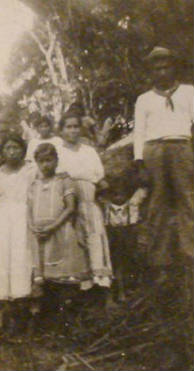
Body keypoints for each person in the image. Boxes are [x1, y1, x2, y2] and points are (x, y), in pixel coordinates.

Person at [133, 46, 193, 369]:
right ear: (151, 71)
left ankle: (189, 246)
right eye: (155, 67)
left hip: (181, 145)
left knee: (186, 200)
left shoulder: (189, 93)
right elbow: (139, 132)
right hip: (155, 149)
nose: (161, 71)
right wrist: (140, 162)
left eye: (166, 65)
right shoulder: (144, 100)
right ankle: (160, 254)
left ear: (174, 67)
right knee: (157, 204)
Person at [28, 144, 90, 331]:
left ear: (56, 161)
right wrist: (33, 227)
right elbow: (29, 210)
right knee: (42, 280)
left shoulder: (65, 181)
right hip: (40, 236)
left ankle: (68, 324)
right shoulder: (34, 185)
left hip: (60, 232)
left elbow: (70, 208)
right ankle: (46, 326)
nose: (45, 165)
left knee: (64, 279)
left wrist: (52, 226)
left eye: (49, 160)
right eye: (41, 161)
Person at [0, 134, 37, 334]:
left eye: (16, 147)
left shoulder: (31, 171)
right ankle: (10, 320)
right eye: (7, 148)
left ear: (22, 150)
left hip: (25, 219)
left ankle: (28, 317)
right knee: (4, 265)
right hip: (3, 223)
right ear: (2, 153)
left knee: (23, 262)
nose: (12, 152)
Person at [56, 111, 113, 288]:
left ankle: (100, 278)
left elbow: (98, 176)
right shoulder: (57, 151)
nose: (73, 131)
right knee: (74, 238)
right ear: (61, 130)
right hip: (67, 202)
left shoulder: (89, 151)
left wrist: (78, 176)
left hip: (89, 198)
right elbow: (56, 175)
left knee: (95, 234)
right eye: (69, 127)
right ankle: (81, 283)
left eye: (76, 127)